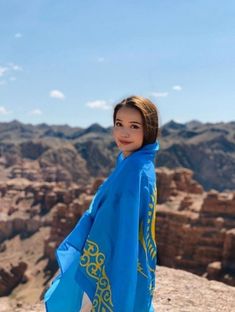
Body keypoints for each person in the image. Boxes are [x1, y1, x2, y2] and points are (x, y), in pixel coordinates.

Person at [43, 95, 160, 312]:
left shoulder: (135, 171)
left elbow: (123, 224)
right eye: (119, 124)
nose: (124, 133)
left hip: (113, 253)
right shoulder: (136, 162)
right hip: (116, 250)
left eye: (134, 126)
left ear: (149, 129)